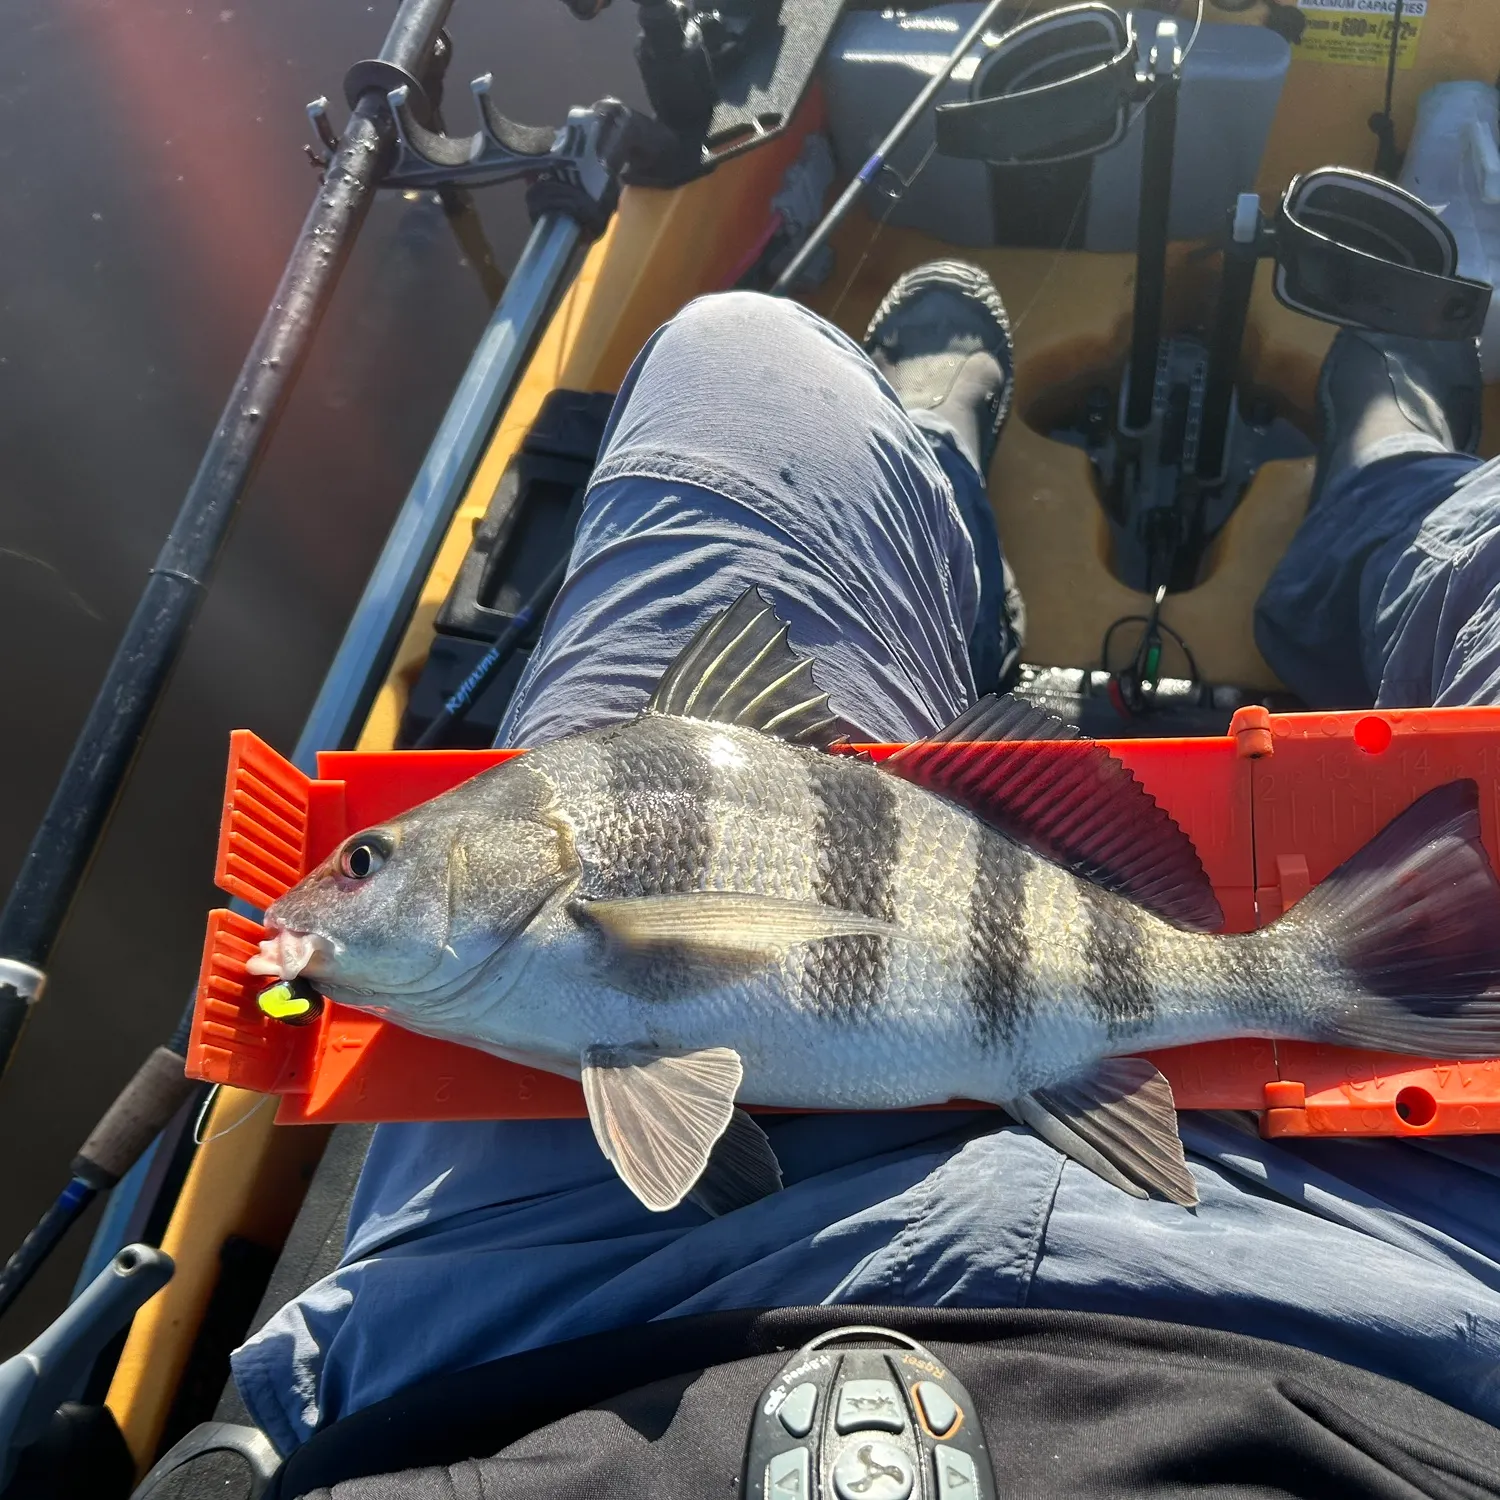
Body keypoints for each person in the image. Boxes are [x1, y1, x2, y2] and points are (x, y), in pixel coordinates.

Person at [231, 263, 1500, 1460]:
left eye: (364, 860)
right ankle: (1379, 479)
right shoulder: (513, 920)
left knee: (738, 346)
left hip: (544, 1329)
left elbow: (678, 1128)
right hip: (1383, 1312)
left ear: (534, 859)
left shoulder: (544, 918)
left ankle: (939, 462)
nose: (337, 893)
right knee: (742, 354)